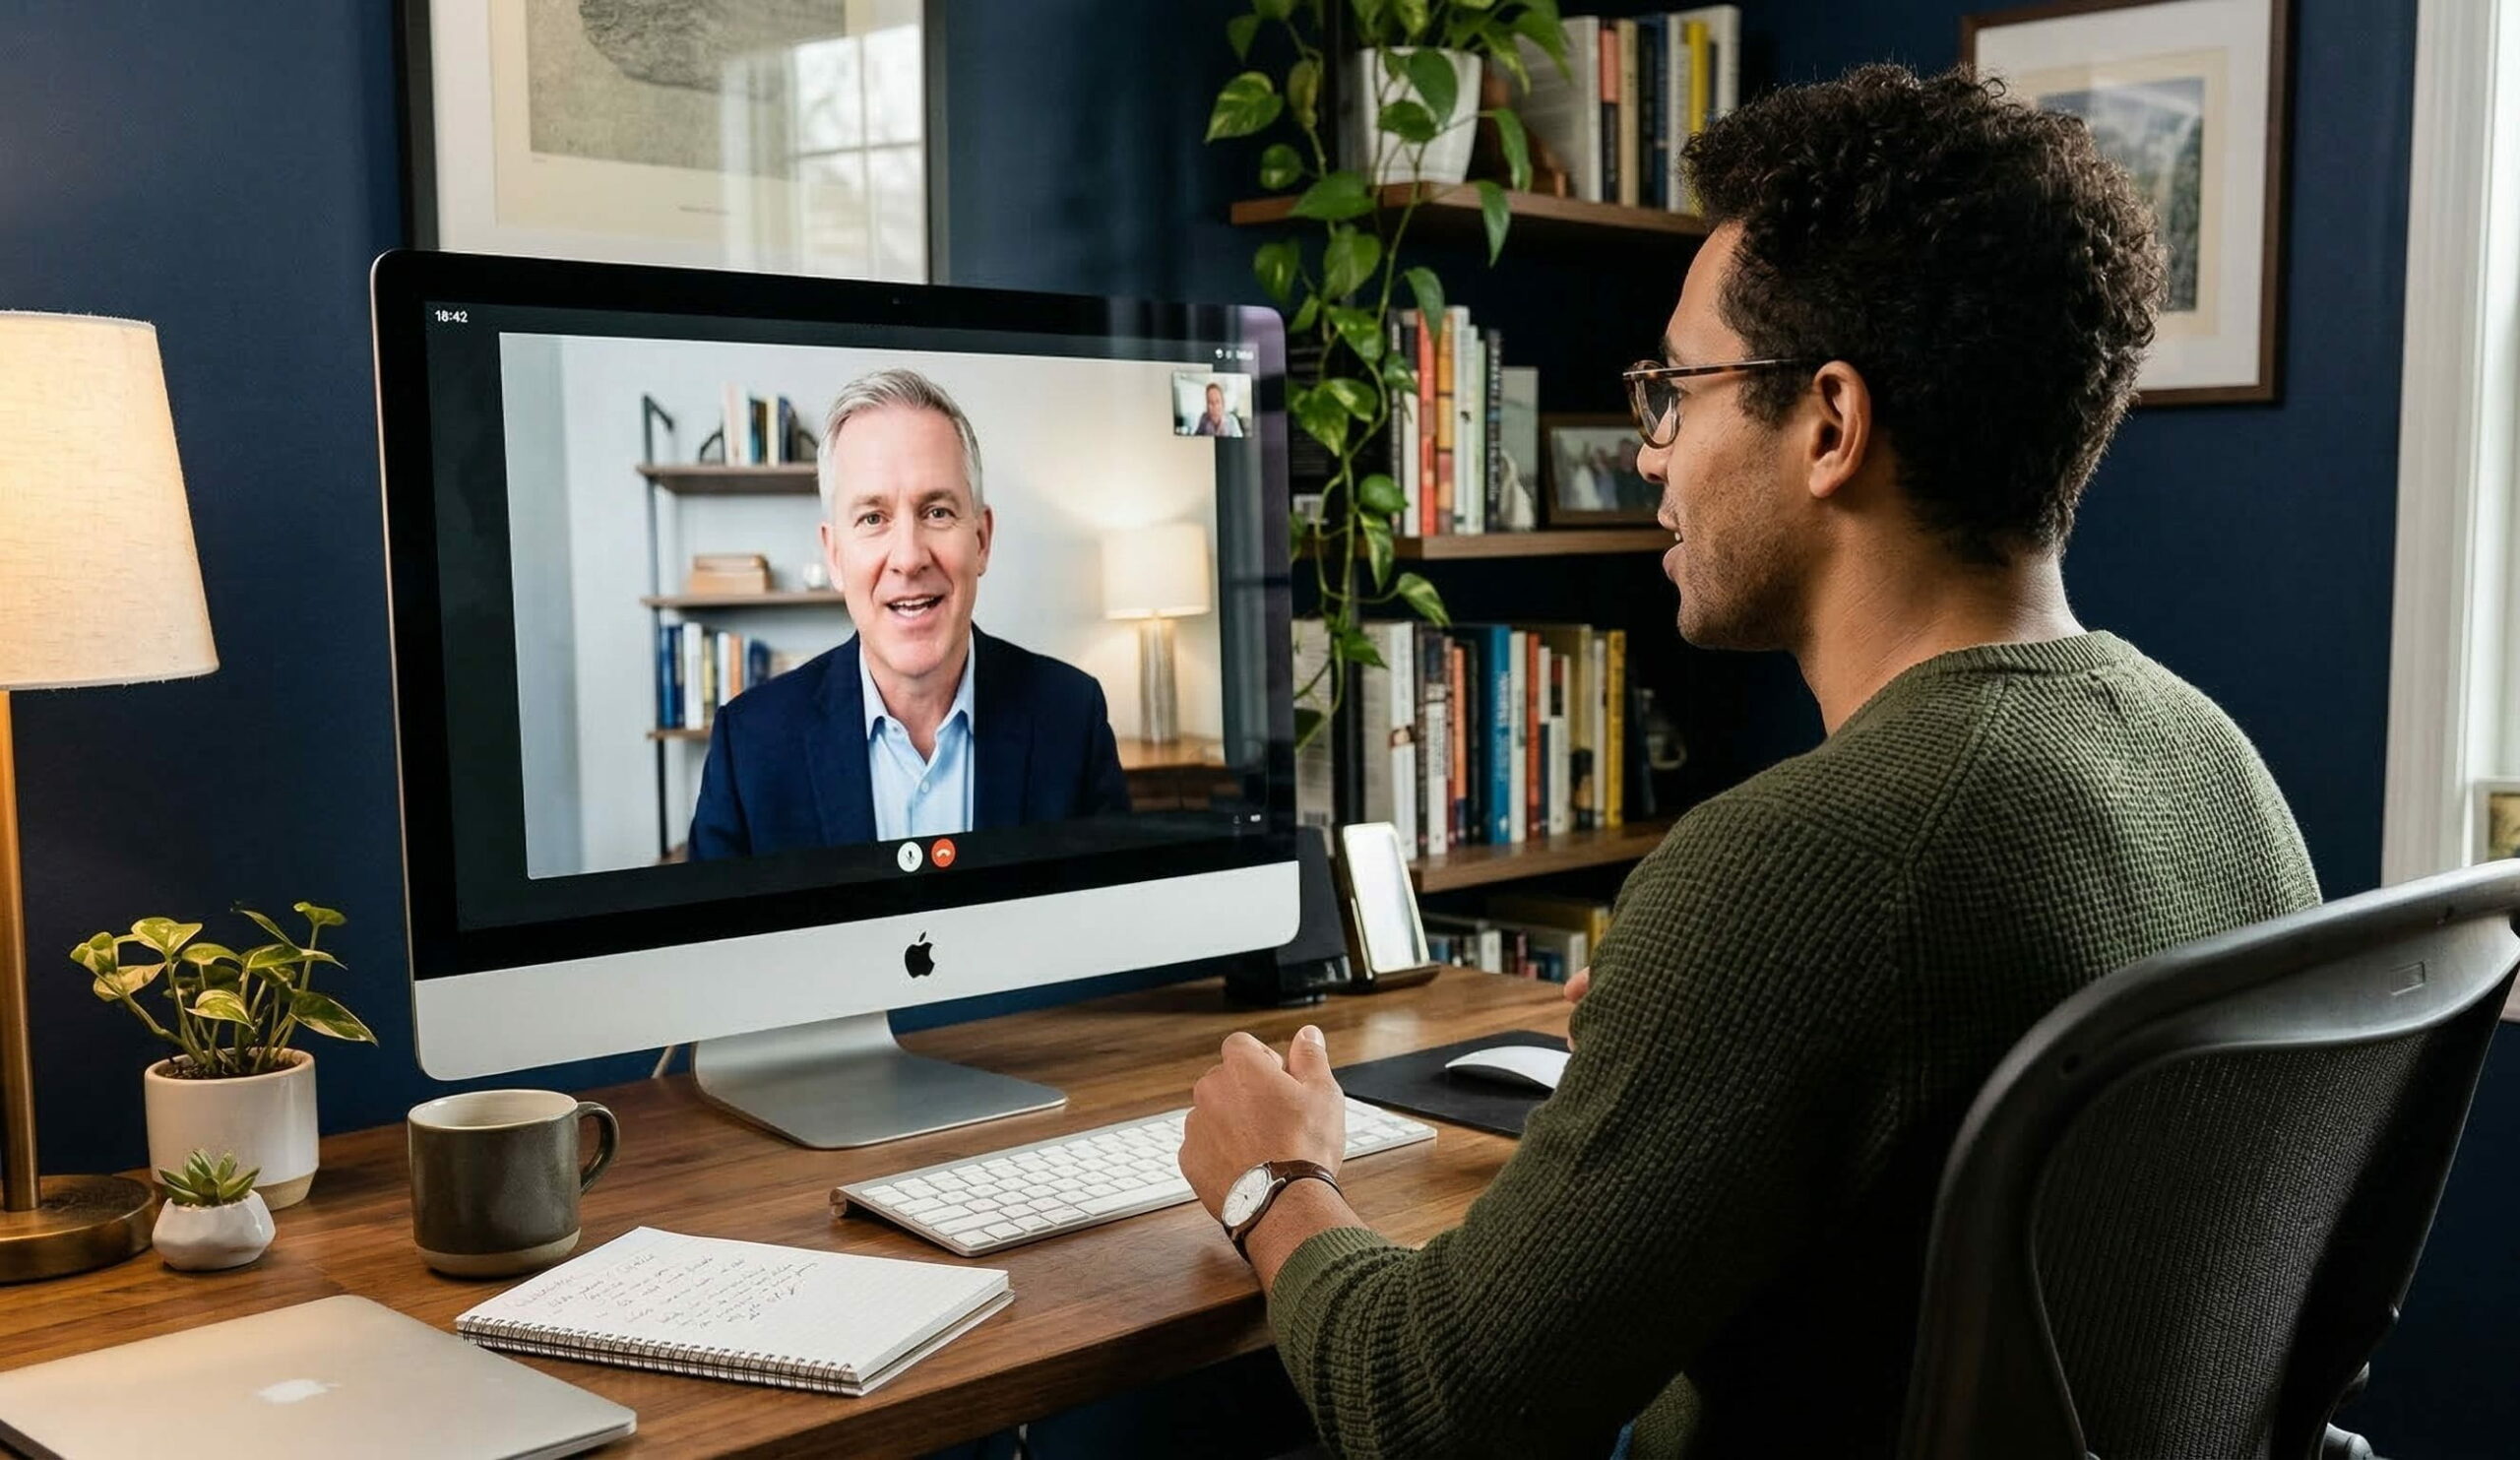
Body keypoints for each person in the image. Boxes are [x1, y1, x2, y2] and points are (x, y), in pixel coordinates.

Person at [1176, 64, 2319, 1458]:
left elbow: (1432, 1407)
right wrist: (1690, 1034)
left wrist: (1277, 1177)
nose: (1651, 452)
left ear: (1831, 424)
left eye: (1679, 388)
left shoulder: (1802, 865)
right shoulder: (2219, 762)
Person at [688, 368, 1129, 858]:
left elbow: (1109, 924)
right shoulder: (749, 744)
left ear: (981, 540)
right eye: (873, 518)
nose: (908, 557)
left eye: (936, 511)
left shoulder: (1072, 716)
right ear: (834, 556)